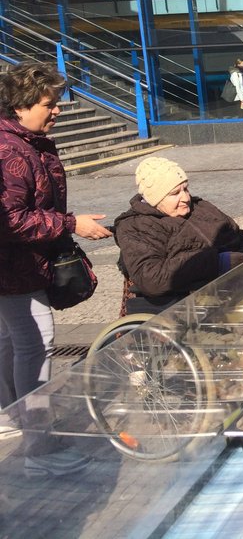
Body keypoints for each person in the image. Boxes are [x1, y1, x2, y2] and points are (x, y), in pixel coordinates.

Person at [0, 62, 112, 475]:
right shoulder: (8, 149)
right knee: (36, 343)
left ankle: (13, 418)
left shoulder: (32, 141)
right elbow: (9, 219)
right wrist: (71, 224)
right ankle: (40, 449)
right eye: (51, 104)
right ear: (21, 105)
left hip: (24, 264)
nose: (58, 111)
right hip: (12, 267)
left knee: (11, 342)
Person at [113, 156, 243, 316]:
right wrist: (216, 262)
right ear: (155, 198)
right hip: (190, 306)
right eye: (175, 193)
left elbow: (236, 235)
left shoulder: (200, 207)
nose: (186, 198)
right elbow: (152, 278)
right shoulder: (136, 226)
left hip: (236, 289)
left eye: (186, 189)